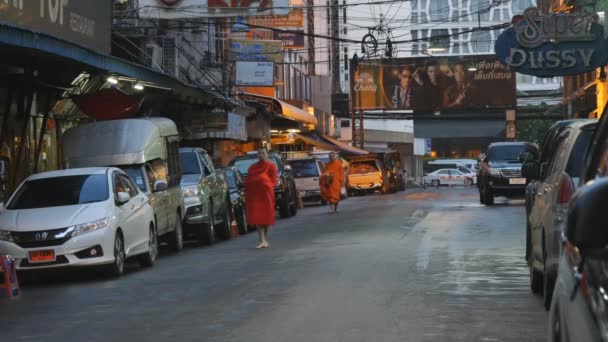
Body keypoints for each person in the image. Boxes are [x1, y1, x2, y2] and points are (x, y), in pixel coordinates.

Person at [245, 149, 278, 249]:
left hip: (266, 195)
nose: (261, 155)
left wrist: (266, 185)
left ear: (267, 155)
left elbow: (274, 181)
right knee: (258, 217)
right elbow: (248, 179)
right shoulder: (252, 167)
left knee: (266, 218)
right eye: (259, 153)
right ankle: (262, 240)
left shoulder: (271, 166)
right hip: (255, 195)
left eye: (263, 153)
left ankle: (265, 239)